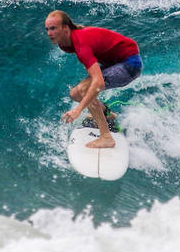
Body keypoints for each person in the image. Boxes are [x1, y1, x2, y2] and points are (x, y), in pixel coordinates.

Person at [45, 10, 142, 149]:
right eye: (47, 29)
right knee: (75, 93)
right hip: (114, 63)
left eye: (53, 28)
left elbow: (99, 83)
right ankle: (107, 115)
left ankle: (106, 137)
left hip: (130, 64)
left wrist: (78, 110)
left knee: (85, 90)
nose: (49, 33)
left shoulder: (80, 43)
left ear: (65, 28)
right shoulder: (65, 44)